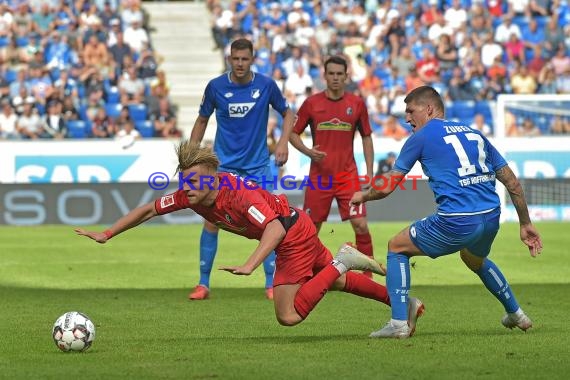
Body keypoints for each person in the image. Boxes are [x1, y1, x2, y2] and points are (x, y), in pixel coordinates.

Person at [74, 142, 425, 332]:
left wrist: (251, 264)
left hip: (291, 235)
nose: (187, 187)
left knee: (287, 316)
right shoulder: (190, 194)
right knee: (333, 284)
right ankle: (404, 305)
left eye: (194, 180)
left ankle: (343, 259)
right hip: (296, 224)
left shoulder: (237, 196)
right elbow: (149, 208)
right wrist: (108, 233)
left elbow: (272, 228)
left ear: (213, 177)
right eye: (185, 181)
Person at [350, 86, 542, 339]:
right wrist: (525, 223)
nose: (407, 118)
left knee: (396, 246)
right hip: (491, 216)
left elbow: (390, 183)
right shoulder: (473, 133)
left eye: (410, 111)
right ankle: (516, 314)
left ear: (428, 109)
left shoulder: (421, 137)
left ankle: (398, 323)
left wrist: (363, 195)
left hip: (456, 220)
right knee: (475, 260)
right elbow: (512, 182)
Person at [188, 38, 295, 301]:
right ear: (229, 59)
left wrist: (282, 143)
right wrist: (191, 155)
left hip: (258, 166)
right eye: (235, 58)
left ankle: (271, 284)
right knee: (212, 222)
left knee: (268, 223)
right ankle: (203, 284)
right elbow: (202, 119)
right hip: (224, 168)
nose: (239, 63)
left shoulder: (266, 85)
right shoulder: (215, 87)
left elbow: (289, 113)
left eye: (244, 59)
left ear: (252, 59)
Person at [289, 55, 376, 278]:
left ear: (346, 76)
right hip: (320, 177)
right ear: (325, 76)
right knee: (310, 229)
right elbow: (292, 133)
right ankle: (305, 272)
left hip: (348, 176)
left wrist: (369, 170)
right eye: (332, 74)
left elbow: (367, 137)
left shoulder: (356, 104)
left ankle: (368, 275)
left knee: (361, 225)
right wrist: (308, 152)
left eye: (340, 74)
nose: (336, 78)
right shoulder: (312, 103)